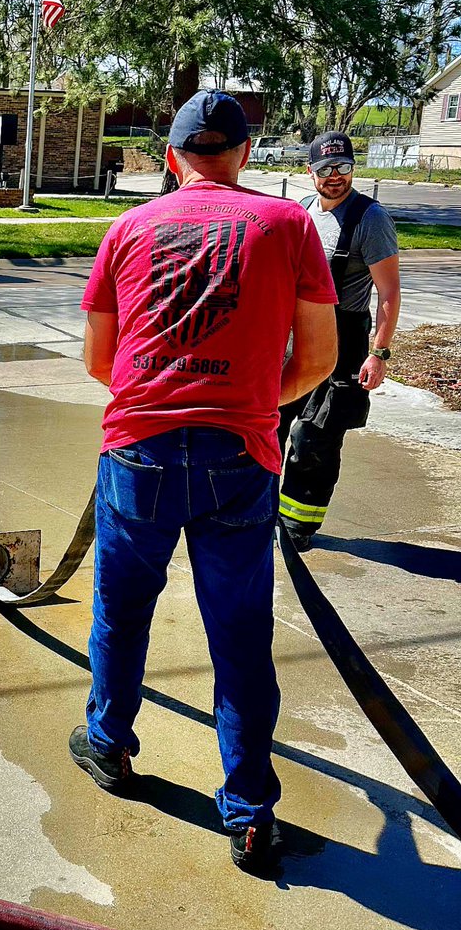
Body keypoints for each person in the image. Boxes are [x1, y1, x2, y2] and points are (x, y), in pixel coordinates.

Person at [70, 91, 338, 873]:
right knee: (242, 635)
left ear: (171, 158)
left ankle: (112, 746)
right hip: (239, 458)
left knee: (122, 613)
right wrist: (249, 401)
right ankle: (251, 812)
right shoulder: (289, 226)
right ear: (245, 155)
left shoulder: (126, 229)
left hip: (139, 454)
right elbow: (319, 360)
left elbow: (98, 360)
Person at [278, 132, 401, 551]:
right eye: (326, 168)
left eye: (344, 167)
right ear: (309, 172)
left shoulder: (370, 218)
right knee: (267, 427)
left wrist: (378, 353)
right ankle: (254, 512)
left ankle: (298, 527)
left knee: (316, 437)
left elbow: (389, 292)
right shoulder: (300, 214)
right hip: (293, 339)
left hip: (343, 341)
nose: (336, 176)